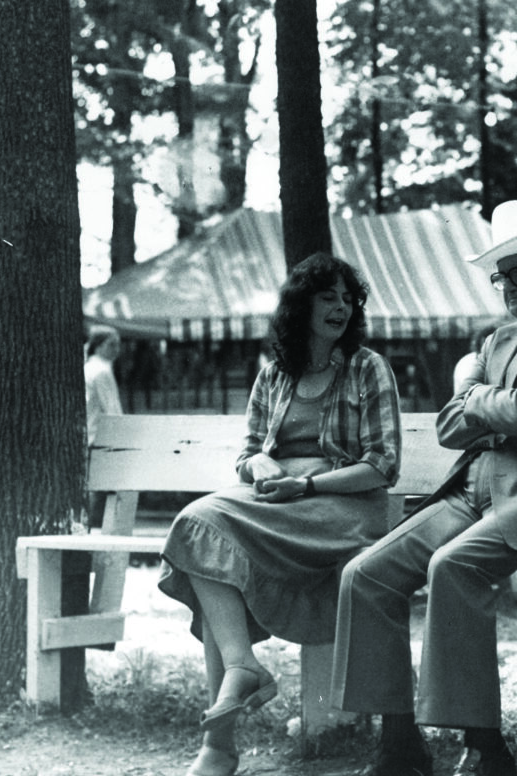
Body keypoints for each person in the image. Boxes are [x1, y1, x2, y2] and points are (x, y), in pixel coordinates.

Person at [331, 201, 517, 776]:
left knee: (455, 566)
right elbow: (450, 427)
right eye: (501, 274)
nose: (507, 285)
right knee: (365, 575)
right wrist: (496, 403)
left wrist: (481, 397)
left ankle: (486, 749)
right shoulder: (499, 341)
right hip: (474, 490)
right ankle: (399, 748)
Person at [158, 252, 401, 776]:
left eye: (347, 299)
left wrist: (305, 482)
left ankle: (218, 746)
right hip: (276, 506)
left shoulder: (366, 367)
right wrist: (263, 464)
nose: (341, 307)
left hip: (343, 507)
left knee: (207, 536)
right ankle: (241, 672)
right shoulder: (274, 376)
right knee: (200, 525)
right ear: (301, 305)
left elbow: (383, 465)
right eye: (327, 296)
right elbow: (247, 454)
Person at [84, 325, 123, 447]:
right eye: (111, 345)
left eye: (118, 345)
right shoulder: (101, 371)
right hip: (99, 438)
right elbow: (112, 409)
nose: (116, 349)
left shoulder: (89, 367)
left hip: (90, 434)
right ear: (98, 346)